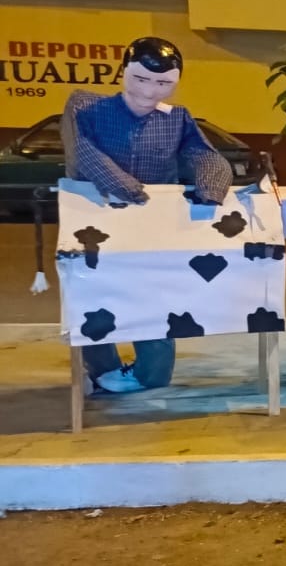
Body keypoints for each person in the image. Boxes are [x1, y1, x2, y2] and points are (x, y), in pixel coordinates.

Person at [64, 36, 233, 394]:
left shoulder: (177, 119)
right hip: (95, 222)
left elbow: (205, 155)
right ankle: (101, 369)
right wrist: (125, 187)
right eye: (140, 79)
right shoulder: (86, 107)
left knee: (155, 297)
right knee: (94, 297)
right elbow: (84, 151)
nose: (149, 91)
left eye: (162, 83)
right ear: (123, 72)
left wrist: (211, 187)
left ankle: (150, 375)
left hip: (153, 228)